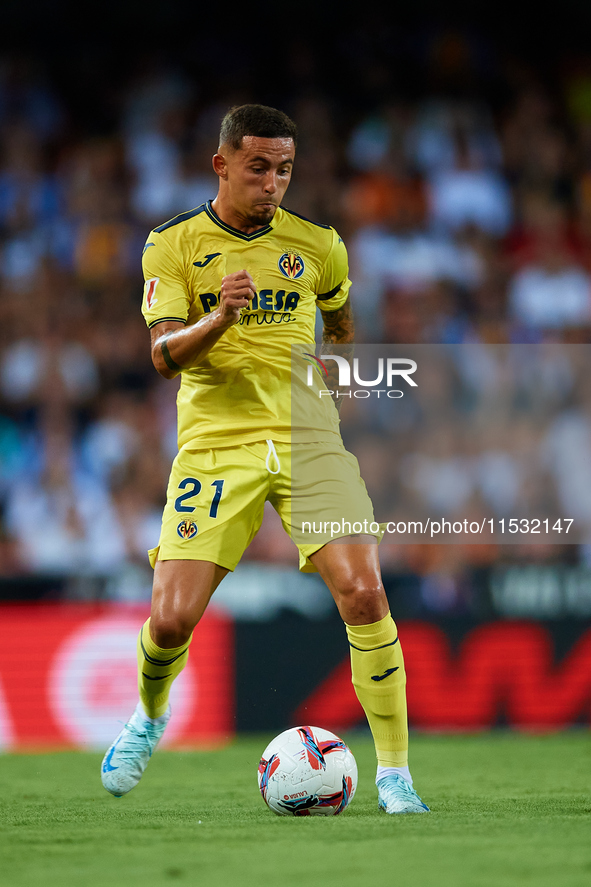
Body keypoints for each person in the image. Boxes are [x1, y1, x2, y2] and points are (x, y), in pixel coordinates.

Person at [100, 104, 429, 814]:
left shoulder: (317, 245)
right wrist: (218, 317)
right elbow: (161, 356)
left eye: (283, 169)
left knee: (366, 593)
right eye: (257, 168)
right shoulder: (173, 244)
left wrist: (335, 363)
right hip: (216, 446)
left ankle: (395, 775)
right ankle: (148, 716)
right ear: (221, 164)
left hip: (310, 442)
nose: (272, 183)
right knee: (170, 623)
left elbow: (340, 319)